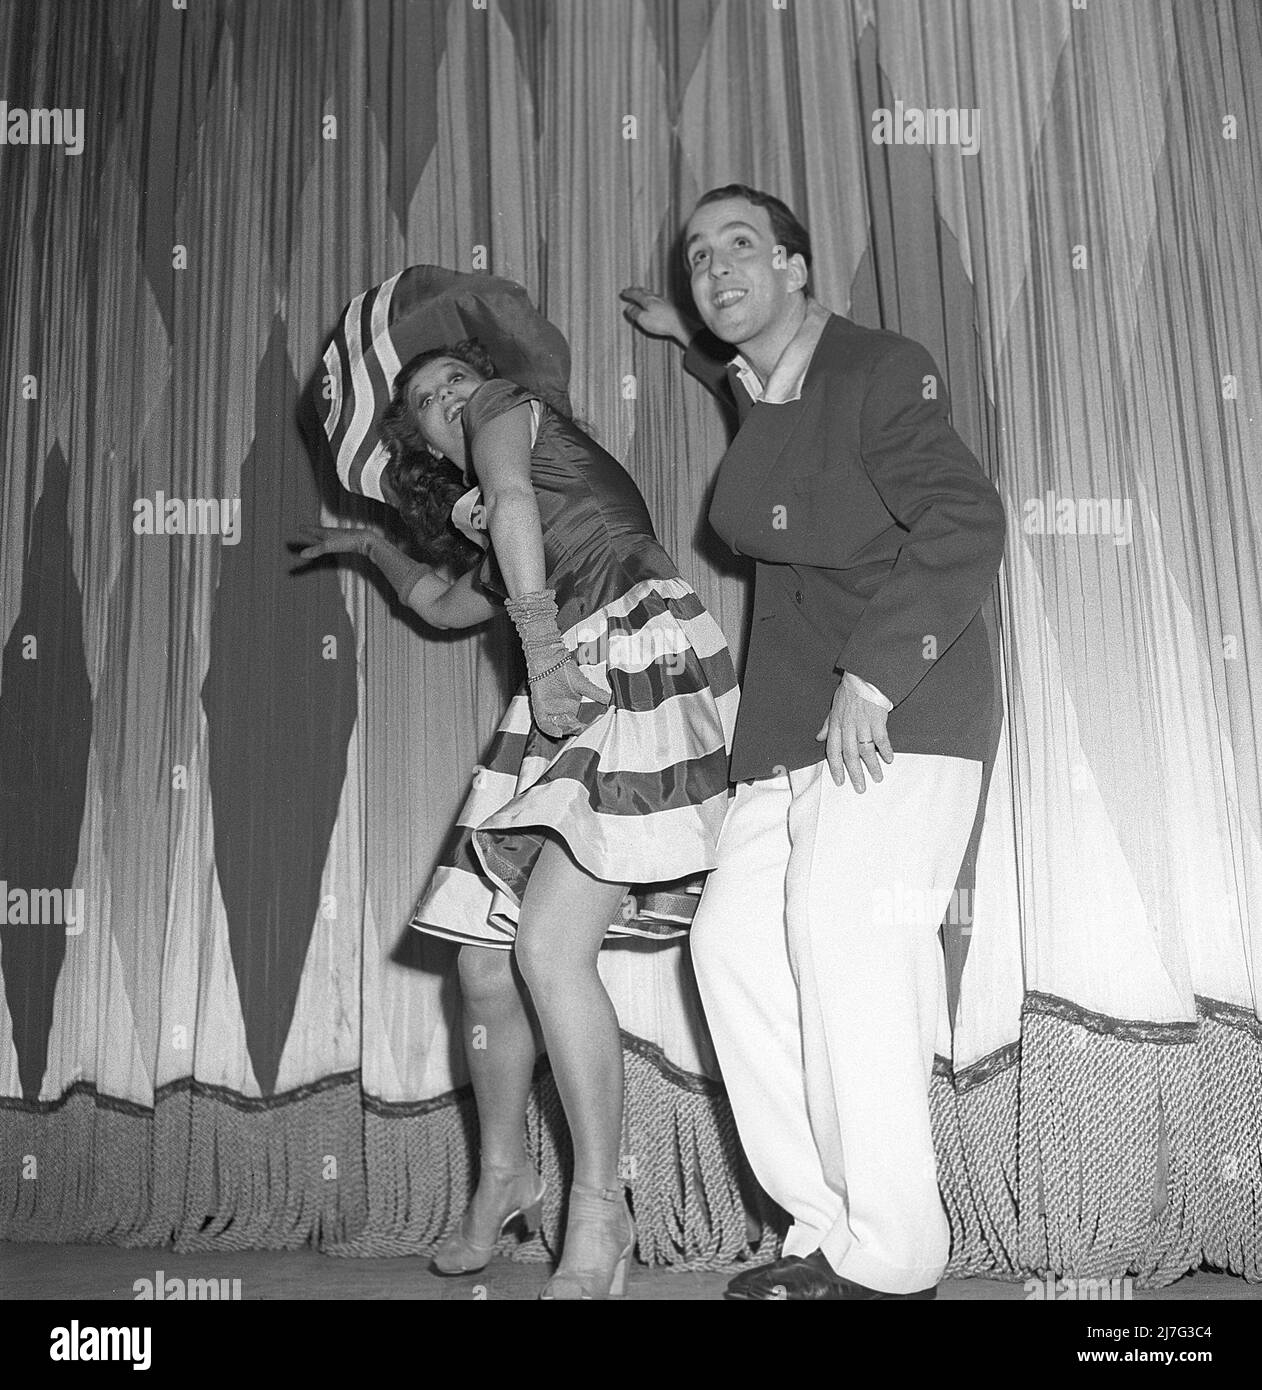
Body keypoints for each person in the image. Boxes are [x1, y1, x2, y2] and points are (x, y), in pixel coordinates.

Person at [622, 184, 1006, 1300]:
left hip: (894, 713)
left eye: (741, 246)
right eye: (698, 259)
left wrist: (875, 677)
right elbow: (778, 429)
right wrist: (687, 345)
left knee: (845, 948)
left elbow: (963, 519)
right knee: (732, 951)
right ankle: (825, 1227)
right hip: (780, 737)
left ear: (797, 266)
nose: (714, 269)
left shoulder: (878, 370)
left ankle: (892, 1259)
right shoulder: (761, 386)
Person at [297, 336, 738, 1299]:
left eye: (454, 375)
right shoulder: (494, 524)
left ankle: (600, 1206)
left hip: (613, 661)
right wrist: (371, 545)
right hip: (565, 668)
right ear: (415, 439)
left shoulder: (510, 415)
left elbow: (513, 505)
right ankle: (504, 1178)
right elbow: (451, 607)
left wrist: (539, 650)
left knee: (545, 952)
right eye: (422, 397)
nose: (451, 393)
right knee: (483, 965)